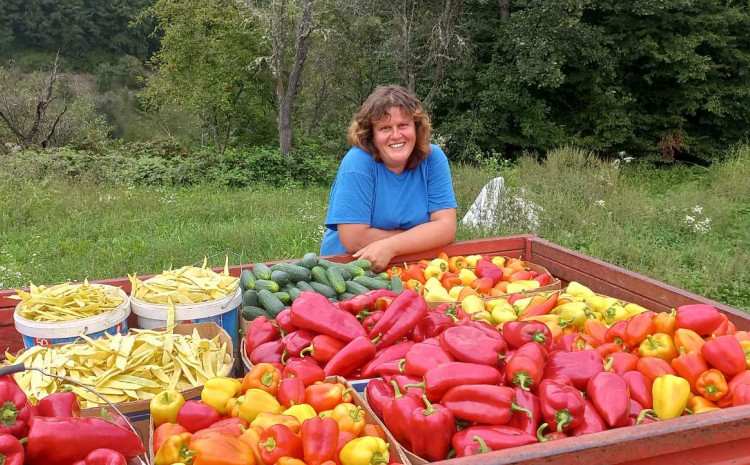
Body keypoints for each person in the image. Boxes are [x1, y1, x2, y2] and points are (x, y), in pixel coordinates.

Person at [320, 85, 457, 270]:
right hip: (349, 270)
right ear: (372, 135)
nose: (396, 135)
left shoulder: (433, 158)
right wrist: (421, 236)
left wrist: (391, 246)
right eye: (385, 128)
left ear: (416, 128)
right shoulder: (357, 162)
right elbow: (354, 239)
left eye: (403, 125)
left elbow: (447, 228)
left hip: (411, 266)